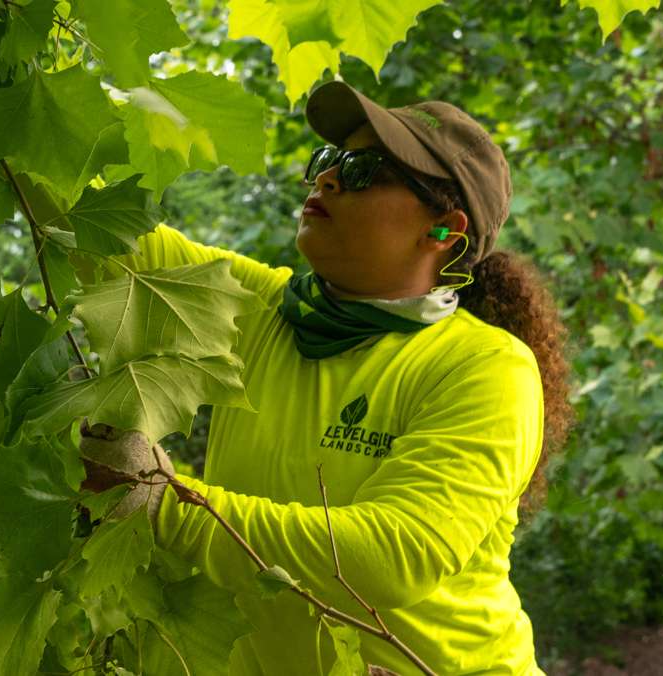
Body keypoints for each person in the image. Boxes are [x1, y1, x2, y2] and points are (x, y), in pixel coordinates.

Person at [78, 80, 575, 675]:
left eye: (364, 170)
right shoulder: (264, 309)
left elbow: (390, 555)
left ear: (444, 231)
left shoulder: (486, 368)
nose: (328, 179)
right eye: (328, 161)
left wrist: (167, 503)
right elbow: (91, 224)